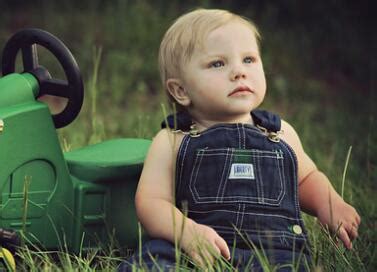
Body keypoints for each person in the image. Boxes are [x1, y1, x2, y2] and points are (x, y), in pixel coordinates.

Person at [119, 8, 360, 271]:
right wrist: (187, 233)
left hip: (275, 251)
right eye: (218, 64)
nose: (239, 72)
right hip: (192, 246)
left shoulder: (279, 133)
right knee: (151, 264)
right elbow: (151, 202)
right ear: (181, 90)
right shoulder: (172, 139)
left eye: (249, 60)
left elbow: (305, 178)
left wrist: (330, 203)